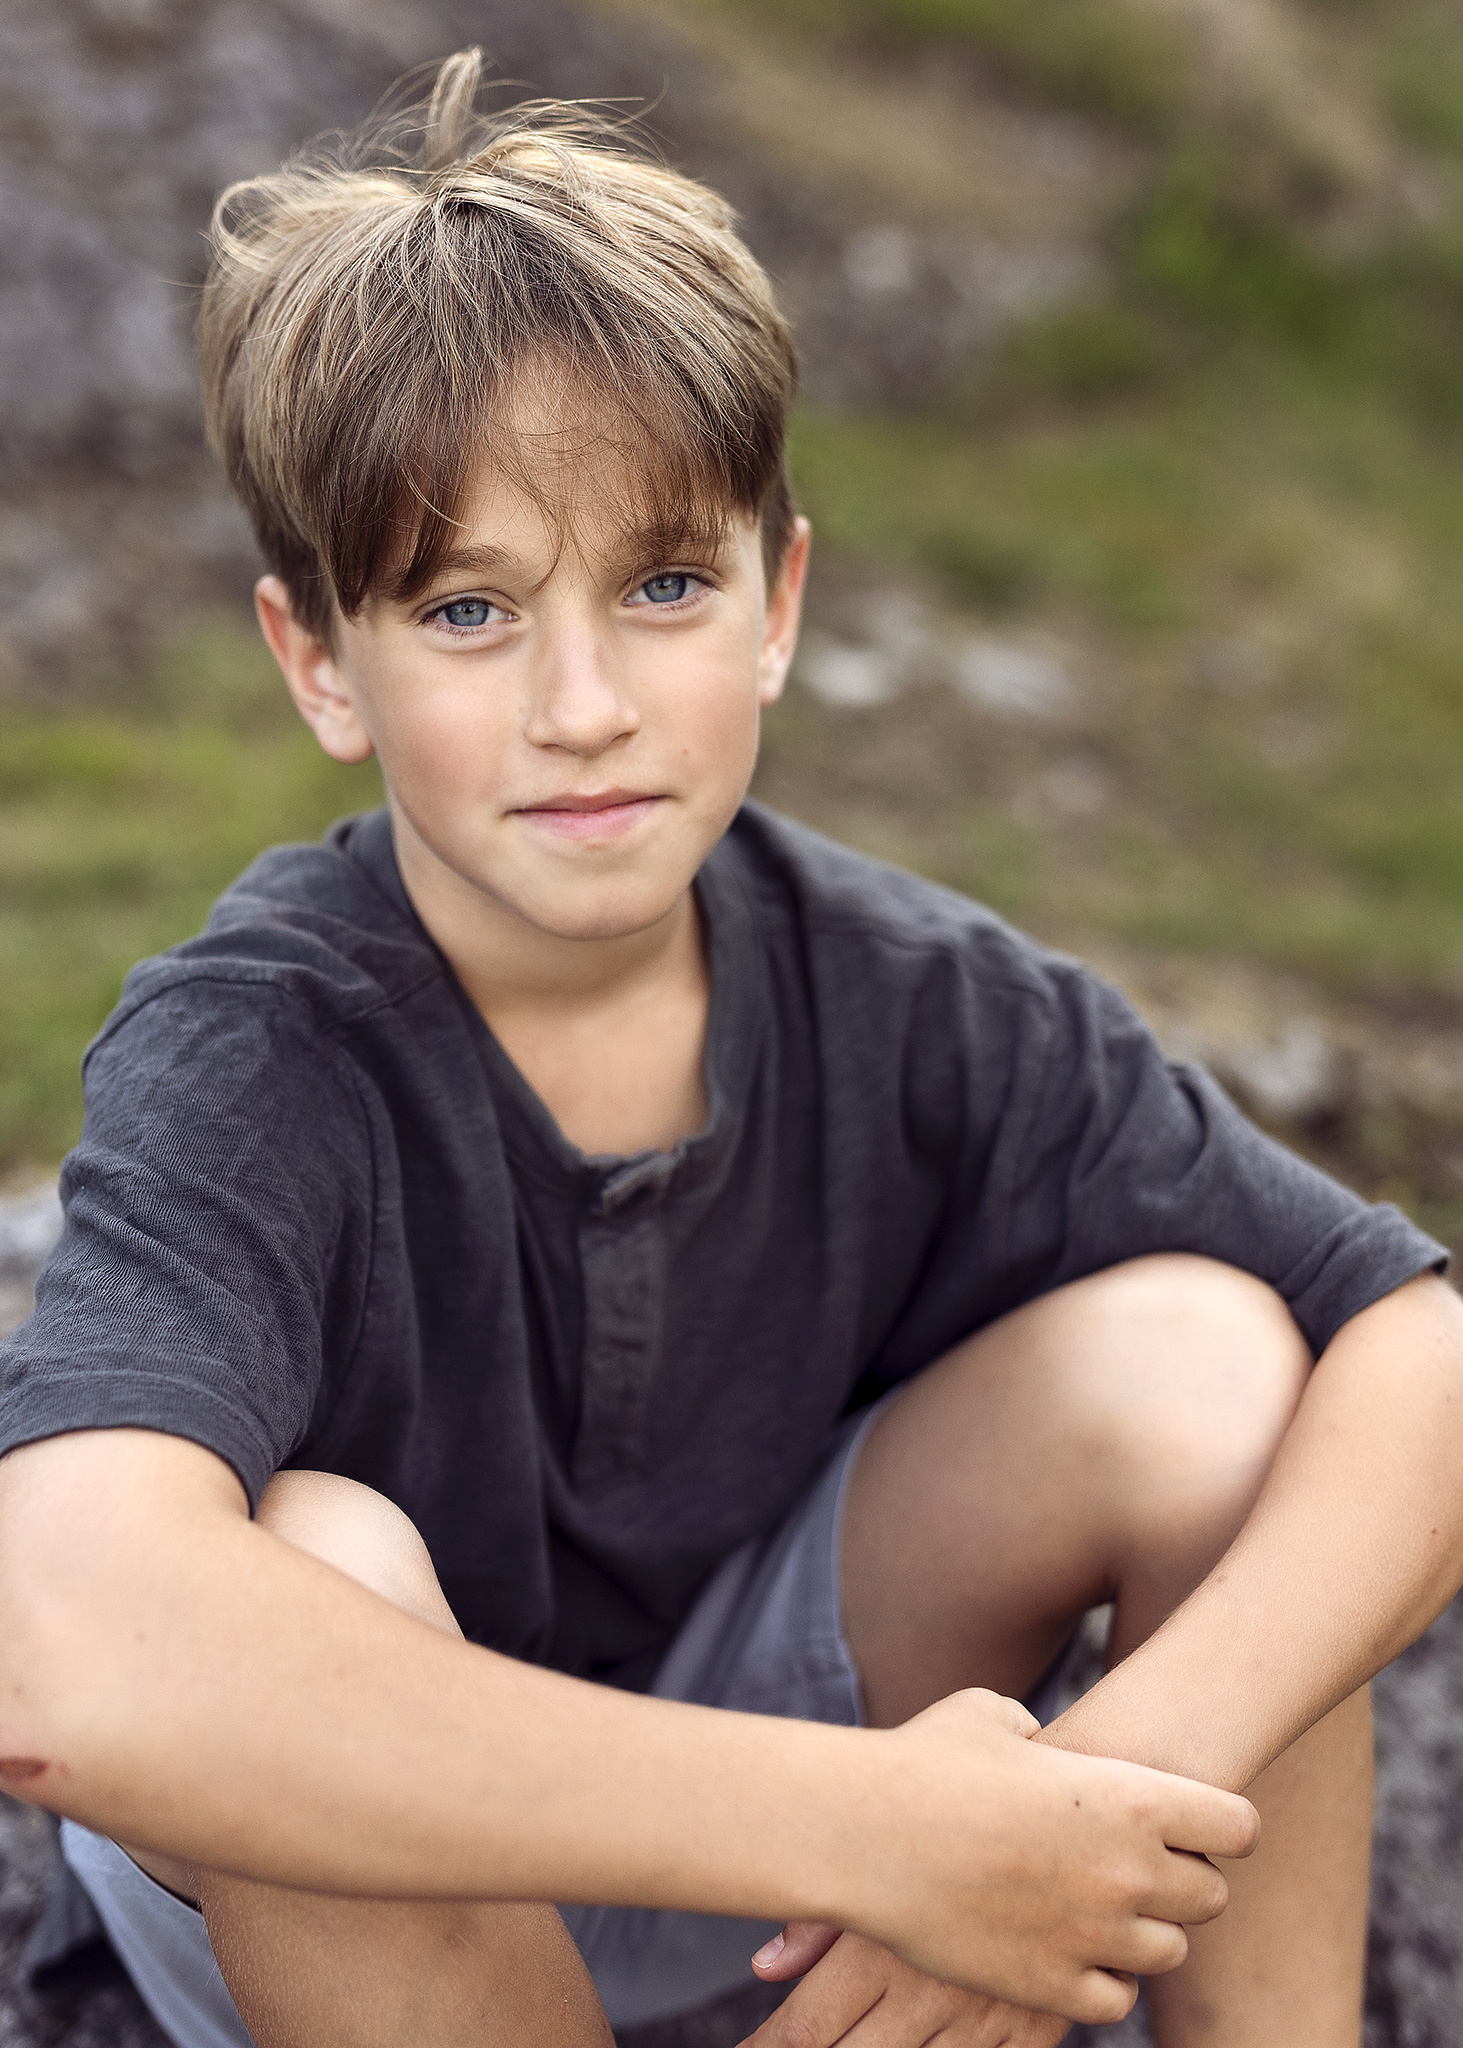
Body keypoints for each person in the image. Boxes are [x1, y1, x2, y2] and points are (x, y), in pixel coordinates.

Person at [1, 47, 1460, 2048]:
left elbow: (1426, 1344)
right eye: (468, 610)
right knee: (309, 1554)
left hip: (760, 1830)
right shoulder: (257, 1051)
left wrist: (1083, 1813)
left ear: (778, 604)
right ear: (320, 661)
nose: (584, 703)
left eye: (665, 583)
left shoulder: (917, 993)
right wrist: (884, 1830)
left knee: (1202, 1361)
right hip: (372, 1878)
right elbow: (65, 1648)